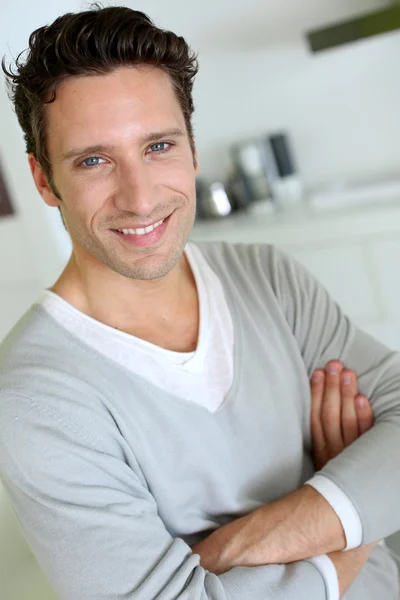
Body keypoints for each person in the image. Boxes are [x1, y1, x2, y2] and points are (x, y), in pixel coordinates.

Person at [0, 5, 399, 599]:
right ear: (42, 179)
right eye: (93, 160)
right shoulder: (35, 399)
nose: (139, 198)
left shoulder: (268, 278)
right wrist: (359, 509)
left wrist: (224, 551)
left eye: (158, 146)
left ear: (191, 150)